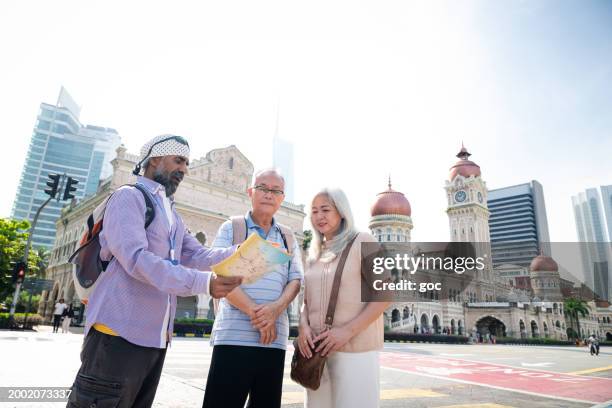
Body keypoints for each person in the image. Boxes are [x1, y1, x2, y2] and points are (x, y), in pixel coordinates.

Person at [67, 134, 242, 408]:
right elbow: (136, 259)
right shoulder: (129, 197)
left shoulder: (172, 213)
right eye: (179, 160)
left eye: (186, 163)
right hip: (116, 336)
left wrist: (244, 253)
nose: (184, 169)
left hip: (155, 341)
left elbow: (197, 254)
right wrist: (204, 283)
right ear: (155, 159)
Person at [203, 168, 303, 408]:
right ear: (251, 192)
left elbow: (296, 280)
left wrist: (276, 310)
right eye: (263, 188)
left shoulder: (288, 236)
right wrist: (257, 314)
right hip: (232, 338)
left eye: (275, 191)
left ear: (282, 198)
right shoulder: (232, 228)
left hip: (273, 341)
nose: (269, 194)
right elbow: (219, 272)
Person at [297, 188, 390, 408]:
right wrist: (303, 328)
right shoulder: (314, 254)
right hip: (316, 353)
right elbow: (306, 302)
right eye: (314, 211)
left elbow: (385, 294)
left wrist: (346, 331)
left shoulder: (363, 241)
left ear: (341, 212)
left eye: (326, 210)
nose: (319, 216)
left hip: (355, 351)